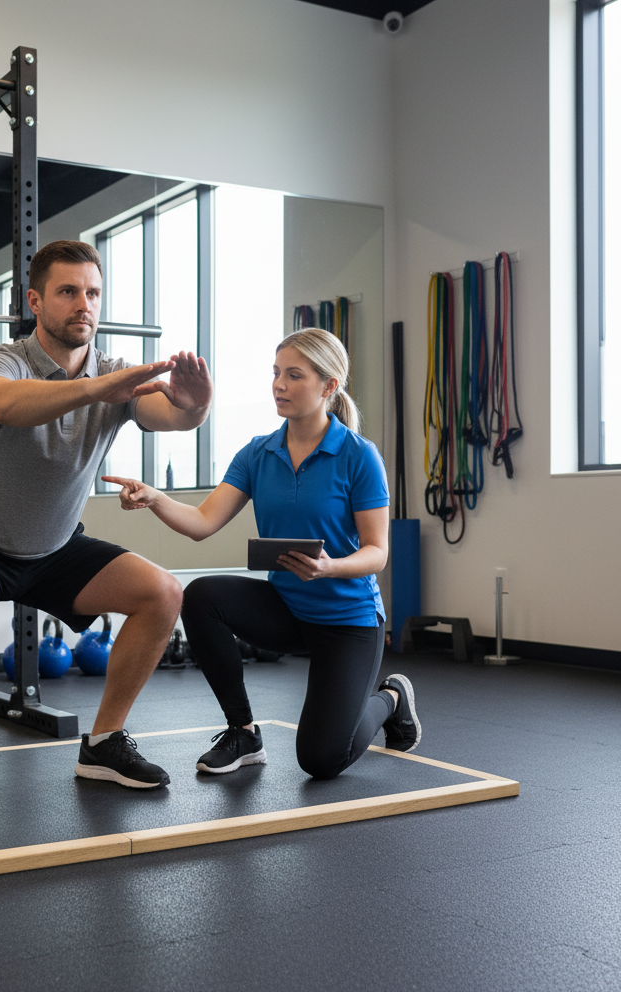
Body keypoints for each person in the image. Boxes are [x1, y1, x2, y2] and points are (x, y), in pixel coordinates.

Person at [0, 239, 213, 815]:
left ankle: (104, 743)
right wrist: (101, 388)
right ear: (35, 301)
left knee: (162, 593)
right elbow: (8, 406)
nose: (84, 305)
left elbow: (168, 415)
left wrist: (195, 407)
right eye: (69, 291)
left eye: (93, 293)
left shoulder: (117, 374)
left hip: (55, 547)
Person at [103, 328, 420, 779]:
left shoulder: (358, 456)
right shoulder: (258, 453)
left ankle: (391, 698)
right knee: (202, 596)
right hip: (288, 609)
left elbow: (377, 553)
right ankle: (243, 732)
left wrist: (329, 567)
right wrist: (154, 497)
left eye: (294, 375)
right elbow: (202, 523)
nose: (279, 385)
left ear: (328, 386)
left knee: (322, 759)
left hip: (348, 623)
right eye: (276, 373)